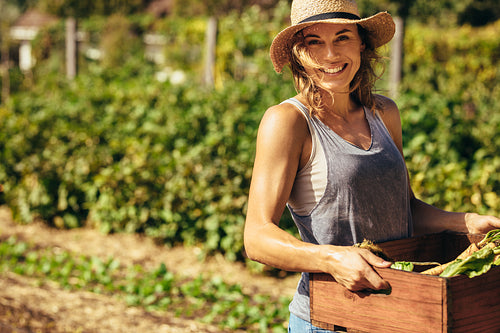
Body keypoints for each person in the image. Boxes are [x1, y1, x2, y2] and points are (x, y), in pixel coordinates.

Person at [243, 0, 500, 331]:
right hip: (331, 316)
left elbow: (404, 209)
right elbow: (257, 236)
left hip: (397, 310)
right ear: (298, 53)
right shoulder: (289, 121)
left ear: (361, 43)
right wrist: (333, 258)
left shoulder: (384, 113)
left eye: (342, 37)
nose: (331, 55)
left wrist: (464, 222)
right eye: (314, 42)